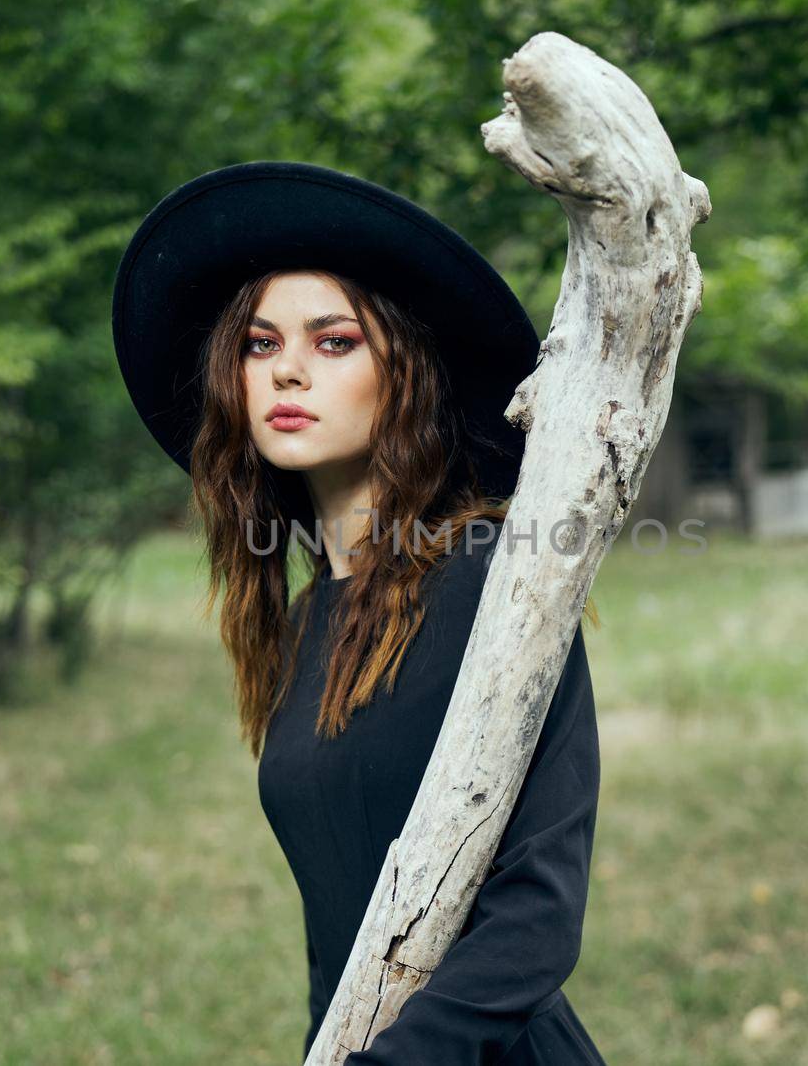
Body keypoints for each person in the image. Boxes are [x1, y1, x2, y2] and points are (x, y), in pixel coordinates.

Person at [112, 161, 606, 1064]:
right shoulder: (298, 625)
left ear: (404, 378)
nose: (288, 368)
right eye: (260, 345)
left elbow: (537, 914)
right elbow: (337, 930)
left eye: (333, 341)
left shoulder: (491, 583)